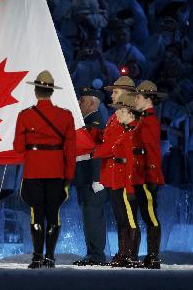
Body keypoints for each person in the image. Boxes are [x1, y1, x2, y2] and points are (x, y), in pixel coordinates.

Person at [13, 70, 76, 269]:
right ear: (51, 91)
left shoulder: (25, 115)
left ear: (36, 91)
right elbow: (71, 150)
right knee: (53, 214)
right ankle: (50, 257)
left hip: (34, 170)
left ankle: (37, 257)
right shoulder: (65, 116)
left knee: (36, 213)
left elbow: (17, 147)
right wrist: (69, 176)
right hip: (56, 170)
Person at [90, 75, 136, 266]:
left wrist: (94, 150)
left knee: (127, 216)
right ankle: (123, 252)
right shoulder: (114, 115)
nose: (113, 94)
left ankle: (128, 254)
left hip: (123, 173)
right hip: (113, 172)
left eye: (116, 91)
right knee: (120, 215)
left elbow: (112, 145)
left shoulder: (127, 115)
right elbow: (106, 139)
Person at [128, 80, 166, 269]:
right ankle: (151, 256)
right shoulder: (143, 119)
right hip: (139, 173)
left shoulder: (149, 120)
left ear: (148, 99)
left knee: (150, 215)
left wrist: (152, 175)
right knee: (146, 214)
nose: (135, 99)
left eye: (138, 97)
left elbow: (152, 151)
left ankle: (153, 256)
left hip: (146, 175)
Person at [103, 93, 144, 268]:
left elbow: (133, 164)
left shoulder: (133, 133)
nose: (117, 114)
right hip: (120, 179)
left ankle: (131, 255)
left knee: (130, 219)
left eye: (120, 110)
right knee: (123, 218)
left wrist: (129, 186)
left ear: (130, 113)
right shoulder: (127, 130)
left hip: (128, 182)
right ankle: (125, 253)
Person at [73, 87, 108, 266]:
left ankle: (97, 256)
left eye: (82, 101)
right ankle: (92, 254)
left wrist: (97, 178)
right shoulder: (87, 121)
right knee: (89, 217)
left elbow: (98, 152)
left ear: (92, 103)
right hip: (84, 177)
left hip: (92, 178)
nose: (79, 104)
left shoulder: (96, 122)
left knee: (93, 217)